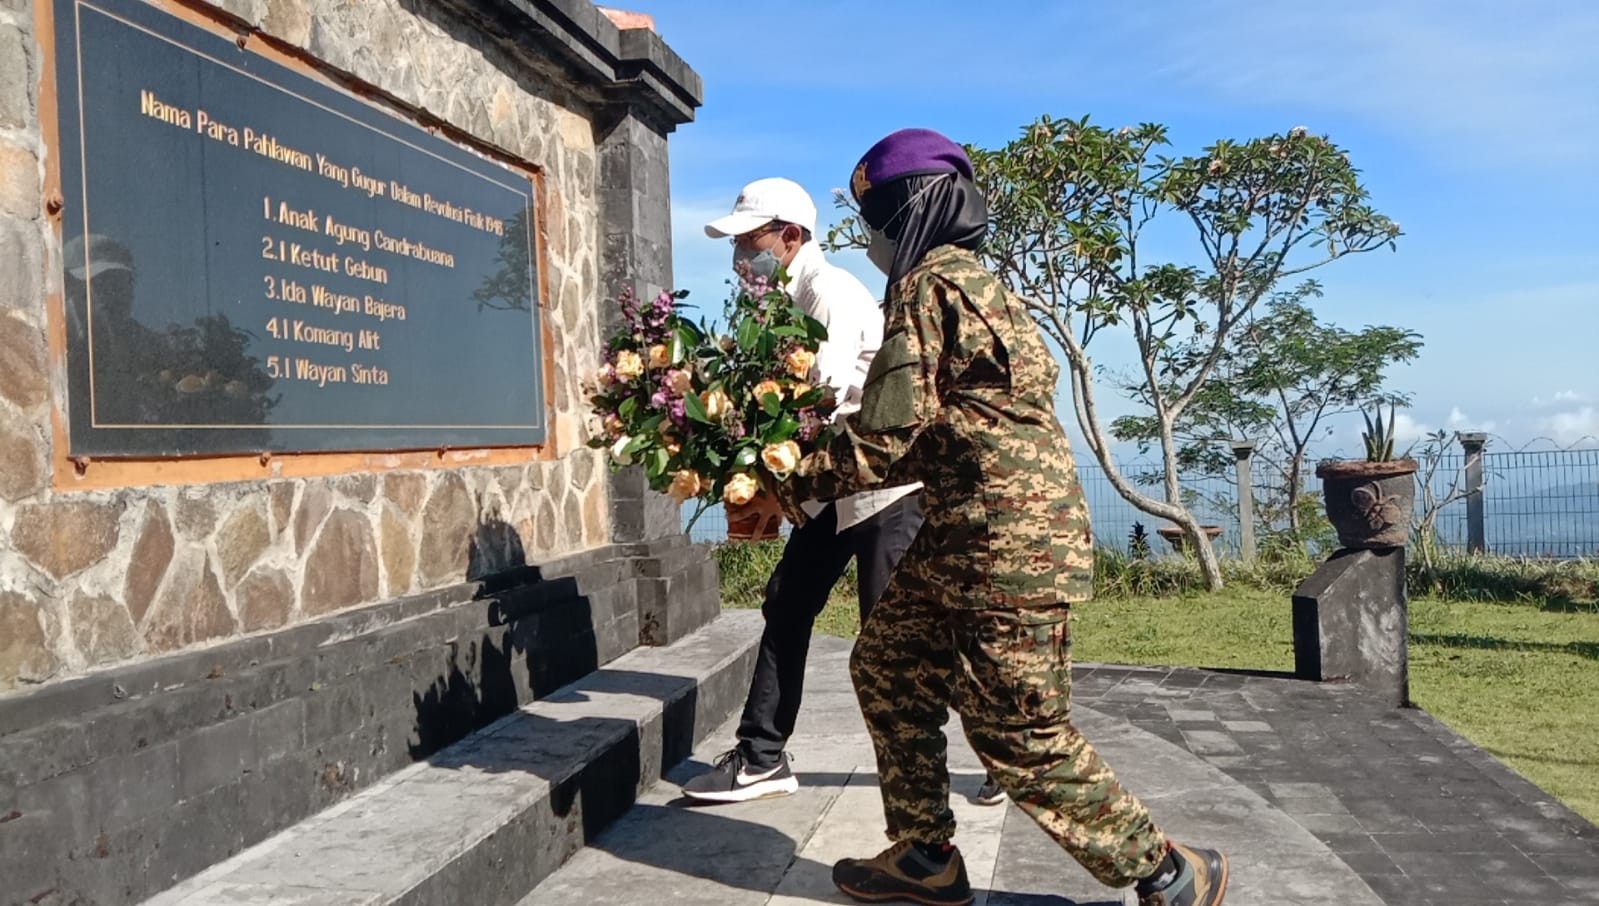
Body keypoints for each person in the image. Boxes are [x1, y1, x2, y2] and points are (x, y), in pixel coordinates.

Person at [790, 130, 1228, 906]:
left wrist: (790, 483)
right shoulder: (975, 284)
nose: (872, 240)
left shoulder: (930, 284)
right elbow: (944, 429)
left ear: (913, 209)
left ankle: (1168, 871)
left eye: (877, 218)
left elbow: (890, 430)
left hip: (1003, 546)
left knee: (1018, 737)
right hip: (964, 533)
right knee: (887, 663)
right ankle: (925, 857)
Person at [681, 177, 926, 803]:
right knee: (787, 604)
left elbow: (817, 396)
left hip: (883, 491)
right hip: (831, 490)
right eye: (736, 246)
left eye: (749, 242)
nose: (740, 259)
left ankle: (966, 761)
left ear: (790, 237)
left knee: (889, 637)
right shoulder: (781, 305)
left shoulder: (831, 293)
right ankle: (762, 755)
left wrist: (749, 447)